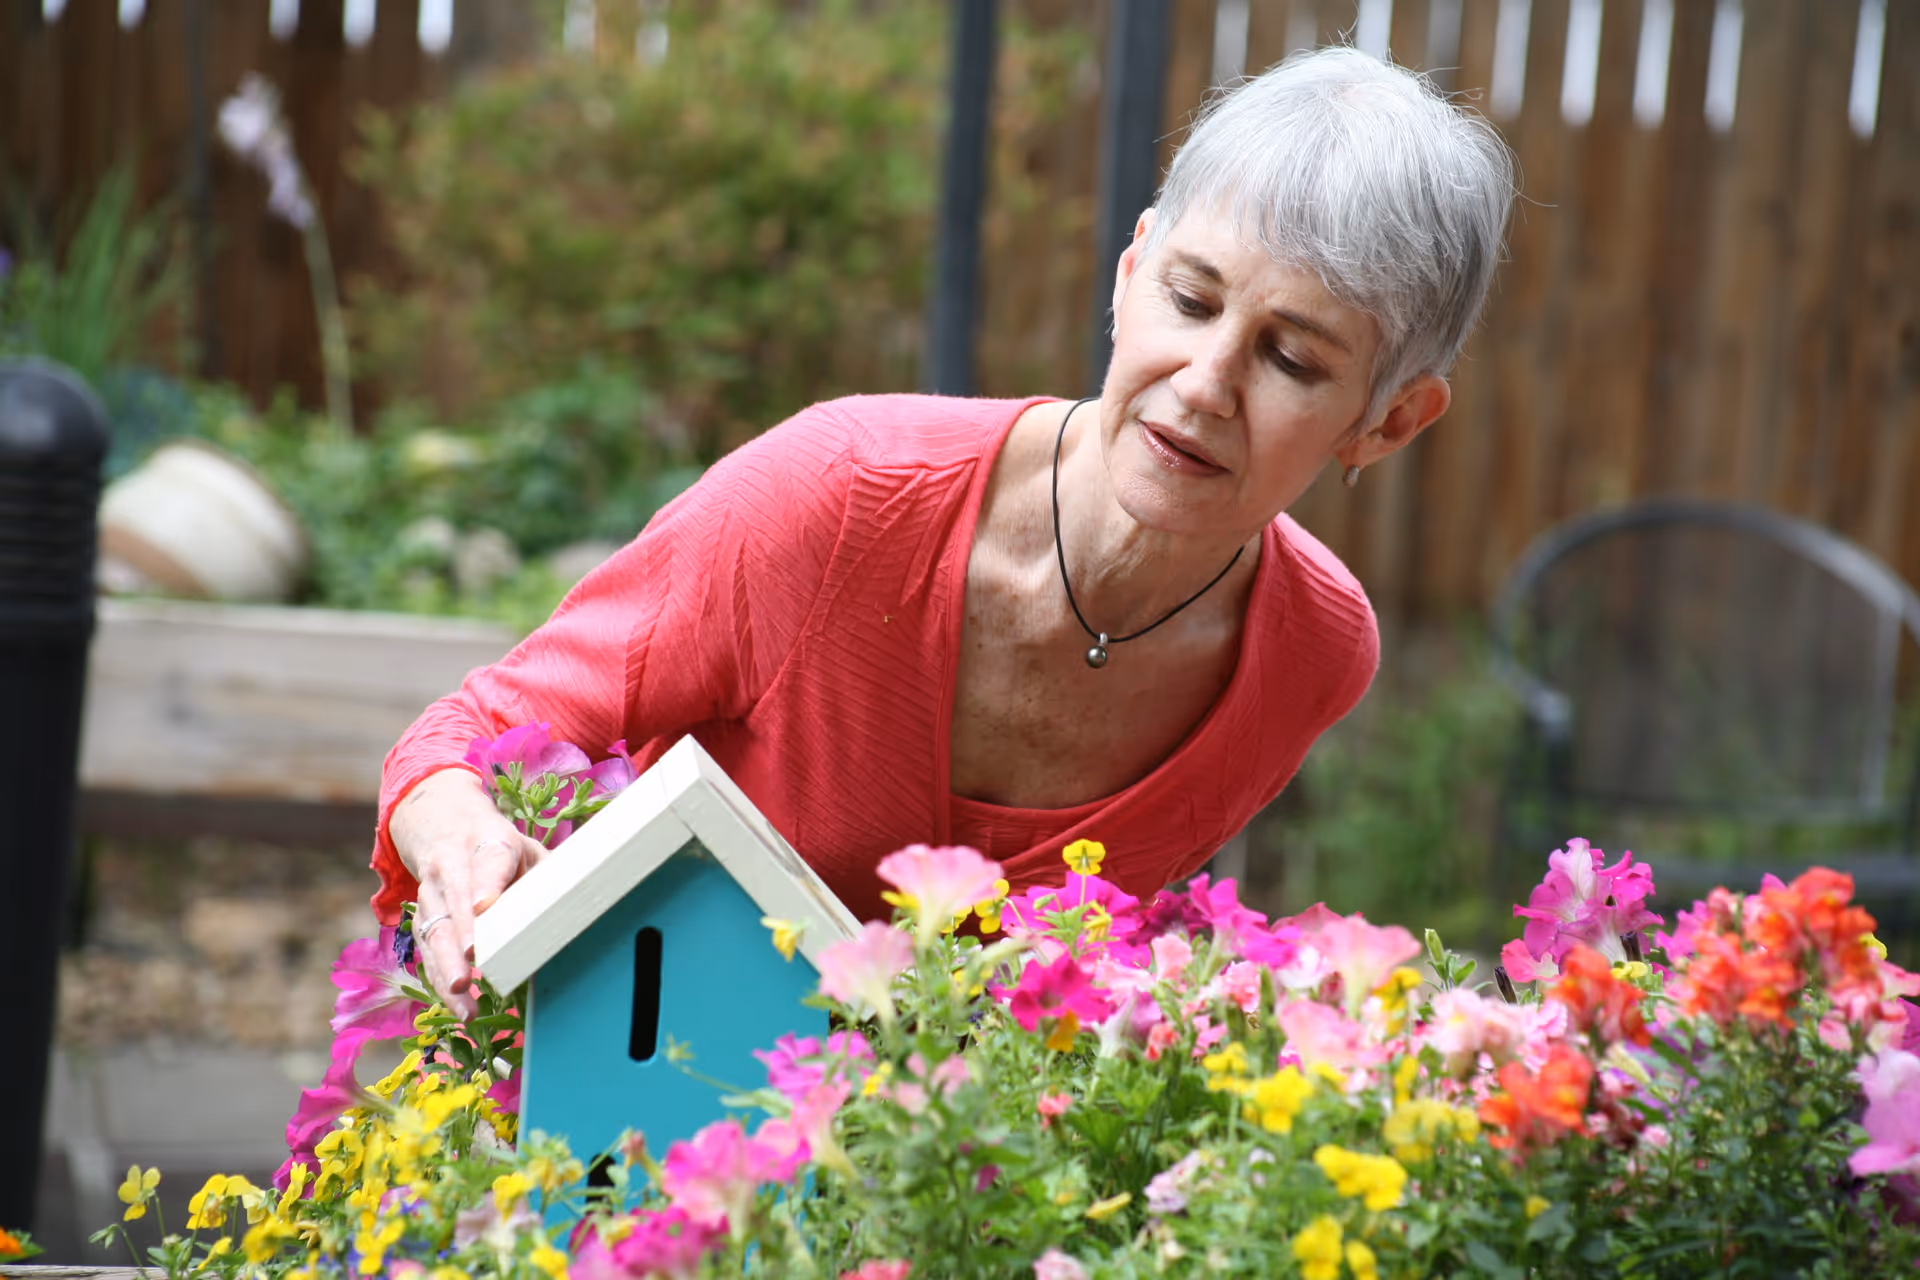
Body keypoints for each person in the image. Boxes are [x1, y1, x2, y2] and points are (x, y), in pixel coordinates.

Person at [378, 46, 1516, 1016]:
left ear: (1389, 421)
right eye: (1191, 299)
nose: (1206, 382)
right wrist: (464, 842)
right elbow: (468, 736)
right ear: (1128, 274)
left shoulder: (1312, 653)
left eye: (1292, 358)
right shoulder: (842, 495)